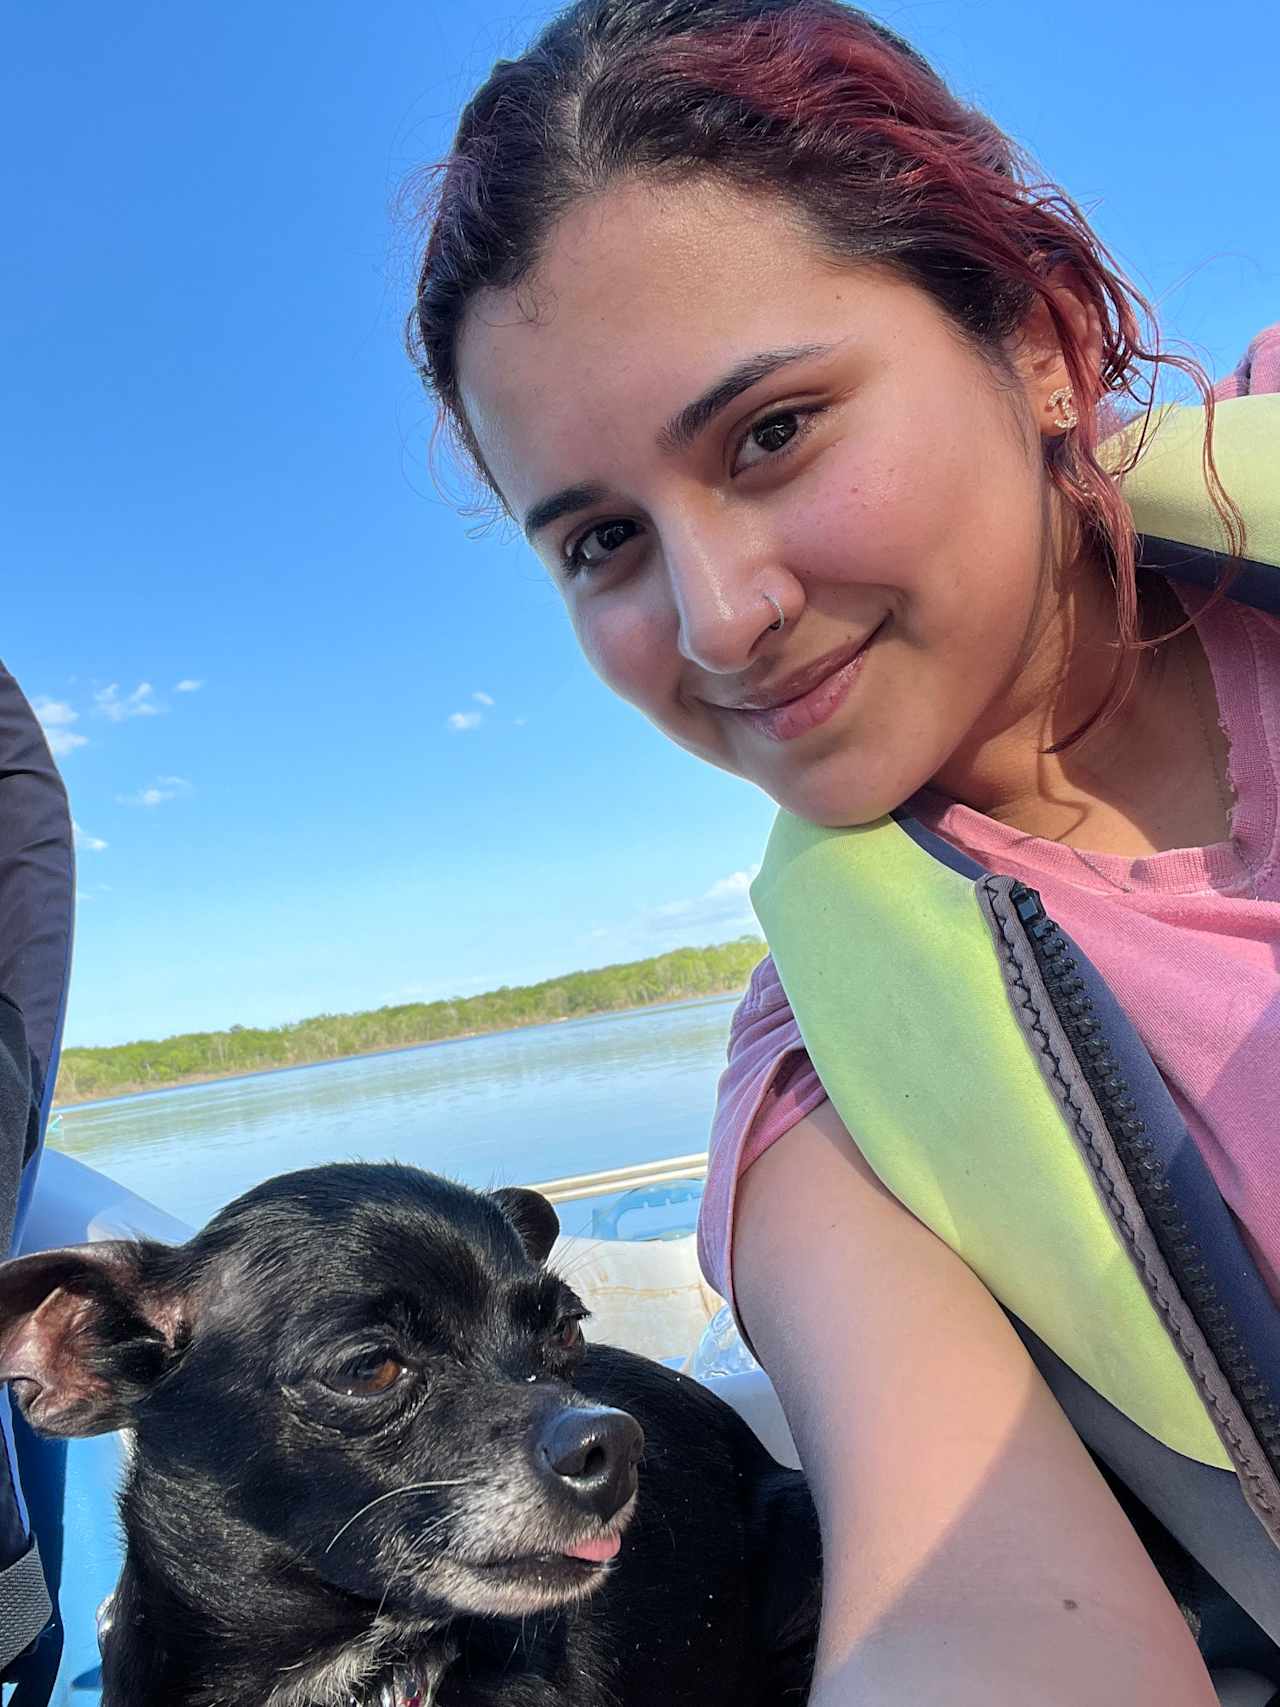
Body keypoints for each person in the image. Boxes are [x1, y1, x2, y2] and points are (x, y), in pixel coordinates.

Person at [406, 2, 1280, 1700]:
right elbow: (972, 1613)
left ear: (1035, 340)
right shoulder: (825, 1095)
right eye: (602, 539)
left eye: (774, 432)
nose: (722, 618)